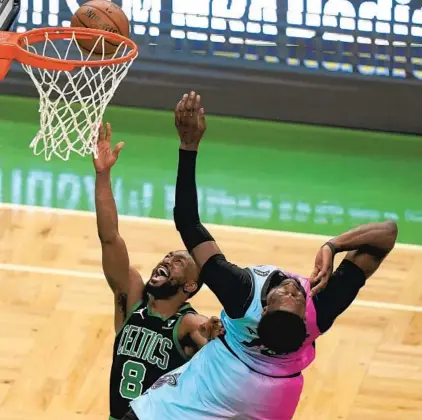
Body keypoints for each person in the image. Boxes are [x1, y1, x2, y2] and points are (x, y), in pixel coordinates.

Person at [124, 92, 398, 420]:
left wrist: (188, 147)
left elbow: (187, 221)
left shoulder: (241, 295)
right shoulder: (318, 309)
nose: (296, 292)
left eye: (292, 299)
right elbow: (387, 235)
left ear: (264, 310)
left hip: (173, 409)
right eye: (296, 300)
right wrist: (334, 245)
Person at [93, 122, 224, 420]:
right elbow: (109, 237)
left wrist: (218, 339)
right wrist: (103, 176)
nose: (166, 260)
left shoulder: (188, 324)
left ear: (190, 286)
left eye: (178, 261)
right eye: (167, 256)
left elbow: (223, 361)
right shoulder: (131, 300)